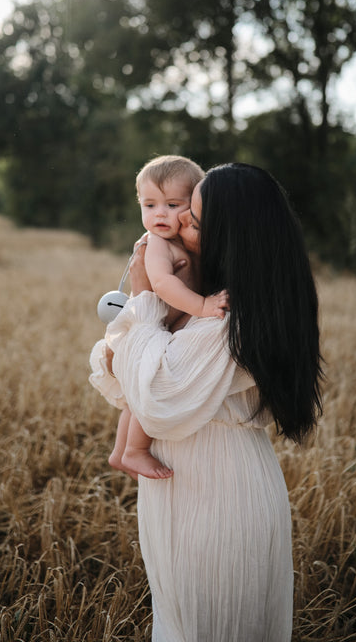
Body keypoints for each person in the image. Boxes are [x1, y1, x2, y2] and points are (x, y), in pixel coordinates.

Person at [89, 162, 323, 642]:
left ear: (232, 236)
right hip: (182, 481)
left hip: (218, 493)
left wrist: (143, 297)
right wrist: (136, 338)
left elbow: (154, 393)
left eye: (193, 219)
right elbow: (117, 365)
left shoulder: (233, 316)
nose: (177, 224)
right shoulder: (215, 299)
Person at [108, 155, 229, 479]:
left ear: (194, 206)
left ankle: (120, 453)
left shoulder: (184, 242)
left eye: (173, 205)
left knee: (136, 394)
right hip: (151, 323)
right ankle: (135, 450)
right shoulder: (157, 243)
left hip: (164, 325)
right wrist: (203, 306)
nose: (159, 214)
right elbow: (162, 283)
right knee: (146, 386)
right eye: (149, 205)